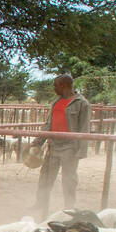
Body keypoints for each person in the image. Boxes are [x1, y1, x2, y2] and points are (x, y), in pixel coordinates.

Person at [34, 73, 91, 215]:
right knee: (46, 175)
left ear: (64, 86)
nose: (54, 88)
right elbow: (49, 124)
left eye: (55, 85)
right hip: (53, 145)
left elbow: (84, 127)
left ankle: (69, 208)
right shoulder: (56, 102)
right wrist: (38, 141)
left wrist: (81, 150)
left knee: (69, 179)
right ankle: (41, 203)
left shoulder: (81, 103)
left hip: (70, 147)